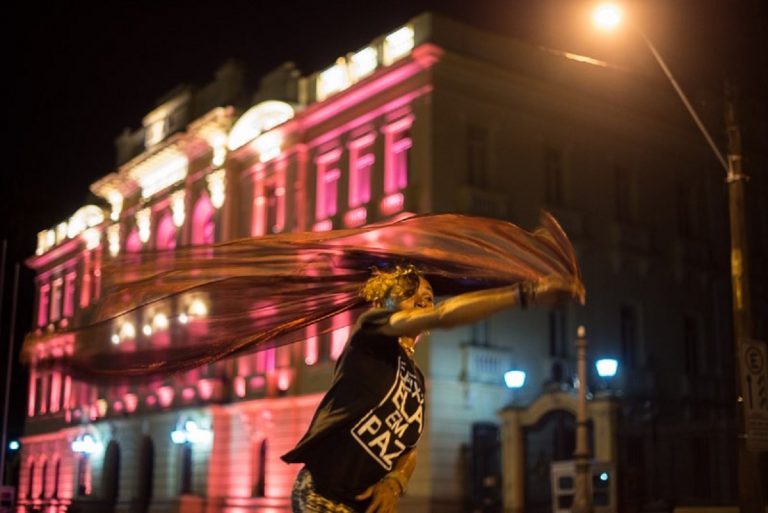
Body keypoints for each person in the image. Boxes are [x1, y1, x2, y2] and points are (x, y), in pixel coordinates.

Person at [282, 264, 583, 512]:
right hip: (321, 493)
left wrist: (395, 481)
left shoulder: (416, 379)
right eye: (415, 296)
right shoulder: (371, 336)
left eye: (429, 299)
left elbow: (408, 449)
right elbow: (442, 316)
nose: (427, 304)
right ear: (385, 303)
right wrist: (526, 294)